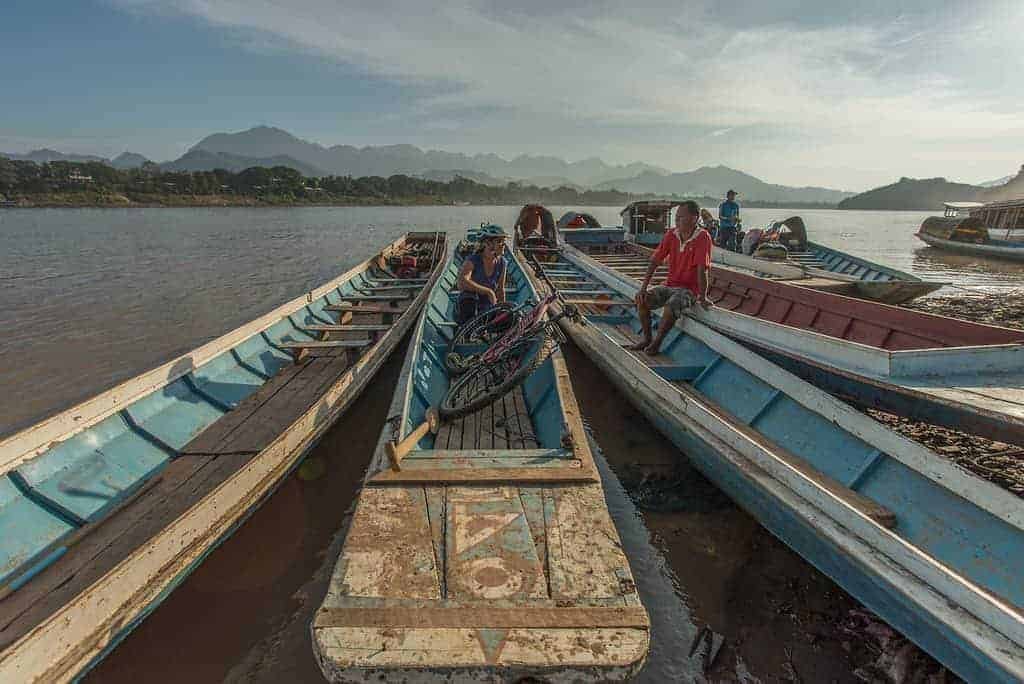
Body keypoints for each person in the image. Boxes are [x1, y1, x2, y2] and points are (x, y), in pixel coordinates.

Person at [630, 201, 712, 355]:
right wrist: (643, 288)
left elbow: (702, 269)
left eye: (681, 217)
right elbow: (655, 261)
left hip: (689, 290)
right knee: (641, 299)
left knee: (671, 305)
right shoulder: (671, 234)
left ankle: (656, 343)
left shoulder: (702, 237)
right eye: (676, 216)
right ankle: (647, 339)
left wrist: (702, 296)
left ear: (695, 218)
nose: (676, 220)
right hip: (670, 285)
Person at [456, 224, 508, 324]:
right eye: (499, 242)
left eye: (504, 242)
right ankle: (466, 334)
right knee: (469, 301)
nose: (503, 245)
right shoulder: (473, 260)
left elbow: (500, 290)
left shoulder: (502, 263)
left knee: (507, 318)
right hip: (468, 306)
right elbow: (461, 282)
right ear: (487, 243)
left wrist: (502, 311)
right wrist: (488, 291)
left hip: (486, 307)